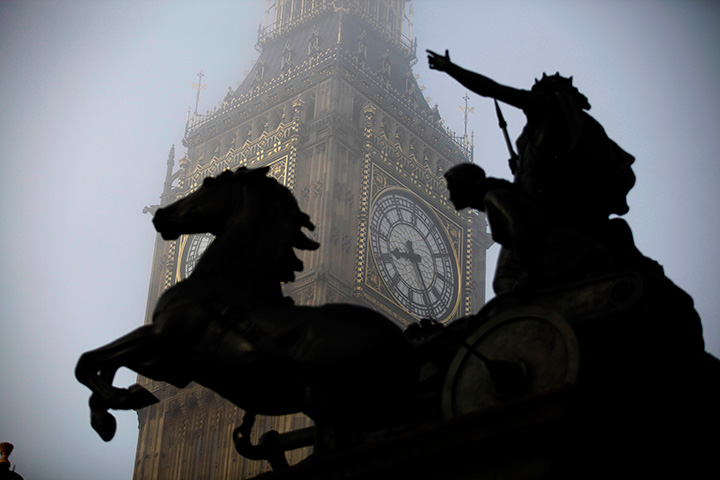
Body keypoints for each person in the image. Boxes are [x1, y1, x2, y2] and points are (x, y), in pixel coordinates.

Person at [427, 49, 636, 292]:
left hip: (538, 214)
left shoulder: (543, 105)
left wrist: (451, 68)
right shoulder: (571, 132)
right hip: (557, 209)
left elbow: (491, 89)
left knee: (504, 281)